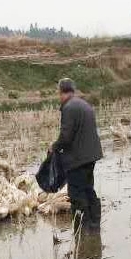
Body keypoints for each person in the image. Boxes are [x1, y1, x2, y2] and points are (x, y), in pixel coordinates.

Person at [50, 78, 103, 232]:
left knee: (76, 194)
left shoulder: (68, 108)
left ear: (61, 92)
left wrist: (54, 146)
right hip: (91, 156)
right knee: (88, 189)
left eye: (58, 92)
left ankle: (82, 230)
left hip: (77, 159)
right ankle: (94, 226)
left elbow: (66, 137)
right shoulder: (84, 104)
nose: (58, 96)